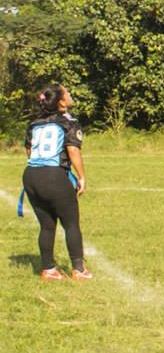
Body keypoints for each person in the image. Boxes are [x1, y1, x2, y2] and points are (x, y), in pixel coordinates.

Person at [22, 83, 90, 280]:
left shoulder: (35, 123)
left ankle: (48, 269)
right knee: (71, 224)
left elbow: (29, 150)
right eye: (66, 92)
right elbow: (73, 150)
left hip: (31, 174)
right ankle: (79, 270)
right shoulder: (68, 122)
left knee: (46, 225)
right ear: (61, 101)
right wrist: (82, 176)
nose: (69, 94)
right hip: (54, 175)